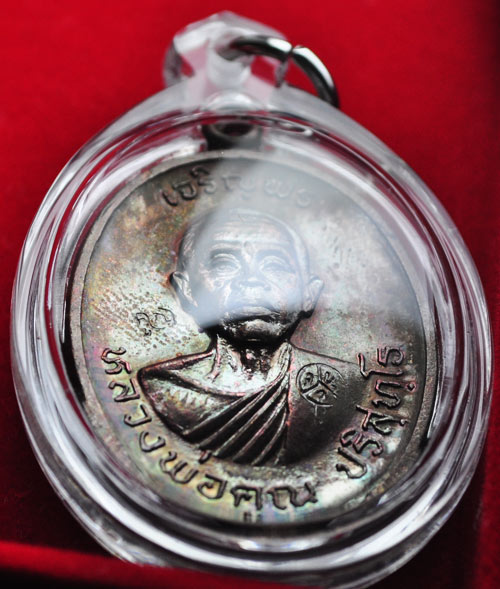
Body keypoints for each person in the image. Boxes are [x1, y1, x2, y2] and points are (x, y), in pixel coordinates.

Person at [138, 208, 364, 466]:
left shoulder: (347, 386)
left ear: (309, 293)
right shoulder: (164, 387)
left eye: (274, 265)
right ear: (187, 290)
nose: (252, 280)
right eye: (224, 264)